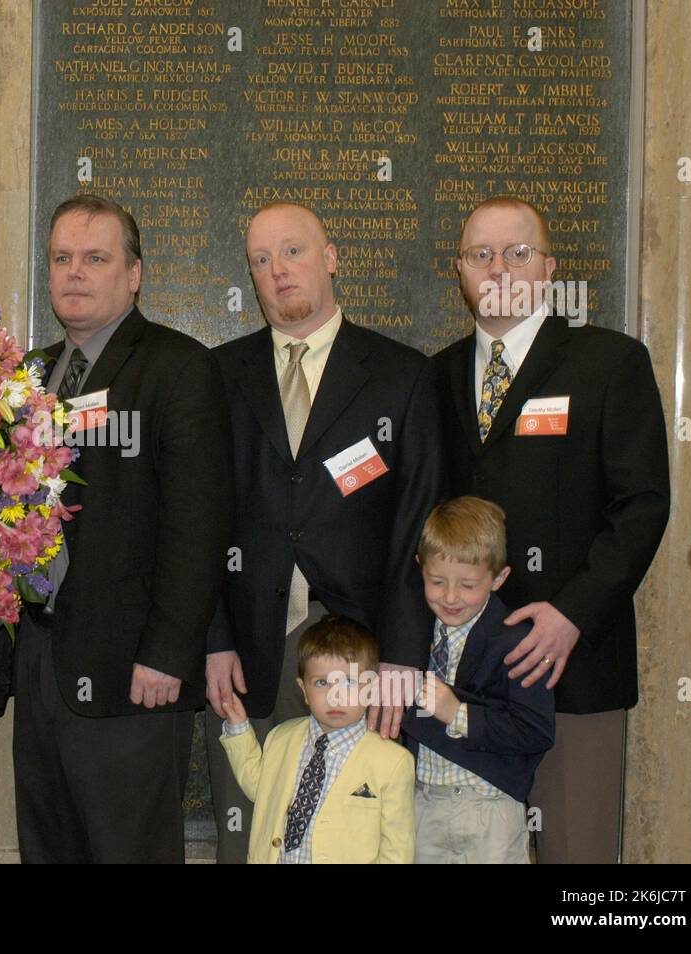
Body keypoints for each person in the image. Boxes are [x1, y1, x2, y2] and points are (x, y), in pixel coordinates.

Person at [0, 193, 234, 862]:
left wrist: (169, 652)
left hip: (132, 671)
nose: (75, 273)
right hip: (40, 665)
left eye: (95, 258)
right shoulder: (28, 375)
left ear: (135, 273)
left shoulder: (178, 368)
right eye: (62, 258)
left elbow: (196, 527)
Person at [432, 195, 669, 863]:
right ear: (460, 270)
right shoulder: (438, 375)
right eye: (481, 255)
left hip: (572, 665)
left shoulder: (609, 363)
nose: (498, 267)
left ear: (549, 268)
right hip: (467, 680)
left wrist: (571, 615)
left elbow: (643, 506)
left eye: (518, 252)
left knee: (577, 862)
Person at [205, 201, 445, 862]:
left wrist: (400, 659)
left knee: (351, 842)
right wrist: (213, 638)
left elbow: (415, 531)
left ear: (332, 257)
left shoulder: (402, 376)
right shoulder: (220, 377)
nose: (278, 271)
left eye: (293, 251)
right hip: (246, 652)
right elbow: (199, 523)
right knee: (248, 836)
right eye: (260, 260)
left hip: (361, 656)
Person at [401, 496, 555, 863]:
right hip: (421, 803)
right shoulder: (409, 635)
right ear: (420, 567)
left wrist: (458, 712)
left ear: (498, 577)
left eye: (468, 585)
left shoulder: (518, 641)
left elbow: (535, 731)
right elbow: (405, 709)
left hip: (490, 809)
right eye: (437, 581)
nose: (451, 597)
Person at [220, 614, 414, 864]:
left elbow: (397, 850)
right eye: (322, 682)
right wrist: (239, 729)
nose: (335, 696)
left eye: (350, 682)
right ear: (304, 690)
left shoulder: (393, 762)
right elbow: (261, 788)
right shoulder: (282, 737)